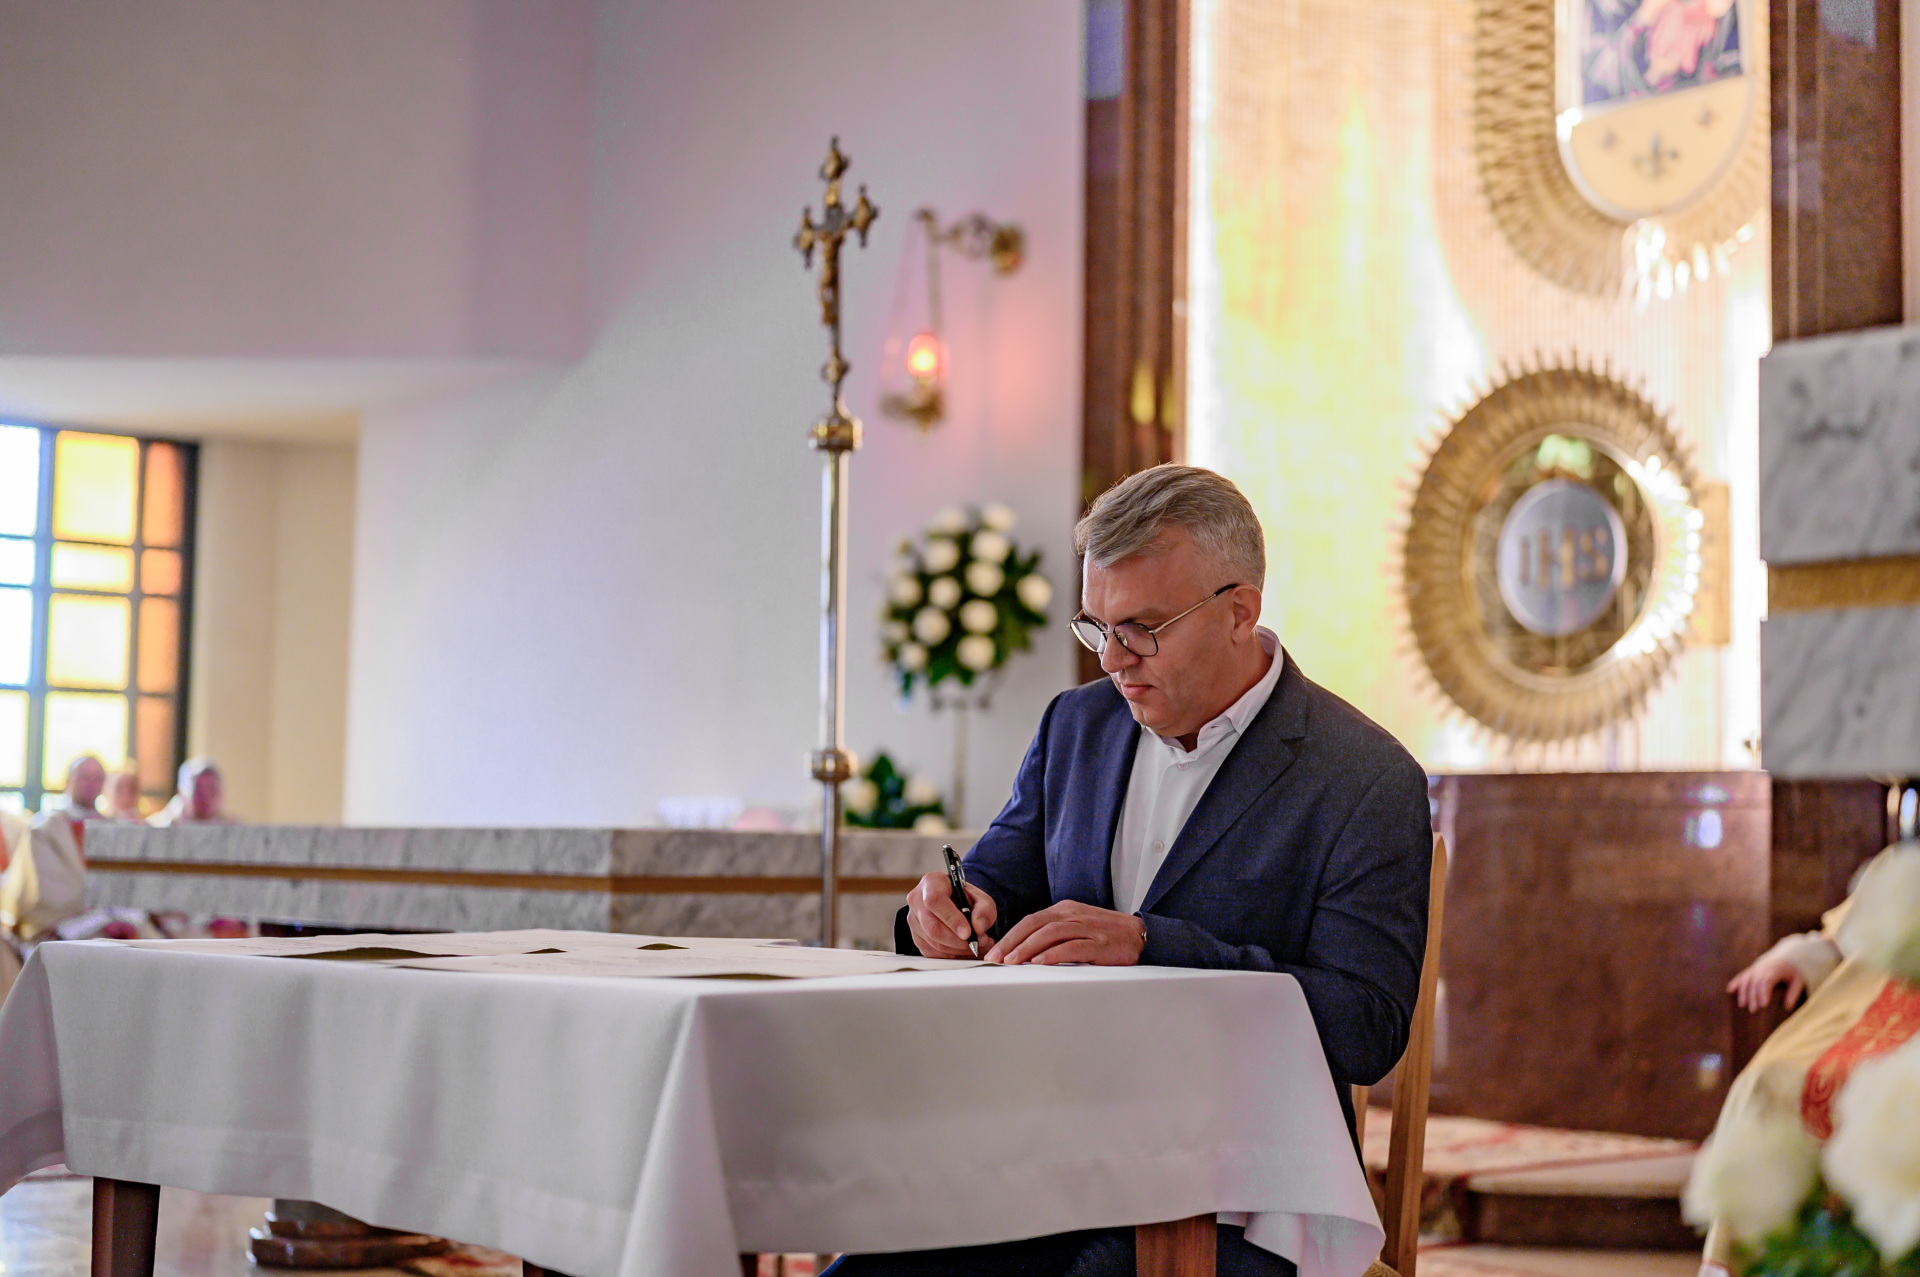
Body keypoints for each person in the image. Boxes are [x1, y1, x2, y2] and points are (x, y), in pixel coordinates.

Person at [836, 466, 1433, 1277]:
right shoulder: (1075, 726)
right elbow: (991, 886)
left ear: (1241, 611)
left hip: (1244, 1196)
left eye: (1143, 628)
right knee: (878, 1262)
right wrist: (940, 914)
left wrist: (1151, 943)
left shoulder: (1363, 776)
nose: (1113, 660)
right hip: (1041, 1157)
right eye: (1097, 627)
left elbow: (1365, 1027)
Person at [0, 756, 106, 1002]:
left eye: (97, 778)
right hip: (64, 926)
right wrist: (94, 917)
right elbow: (42, 889)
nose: (91, 784)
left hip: (112, 923)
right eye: (84, 777)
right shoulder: (44, 830)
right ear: (68, 781)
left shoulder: (116, 827)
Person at [149, 757, 232, 826]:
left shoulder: (231, 829)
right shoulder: (157, 828)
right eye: (198, 791)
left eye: (212, 790)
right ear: (180, 793)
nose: (205, 798)